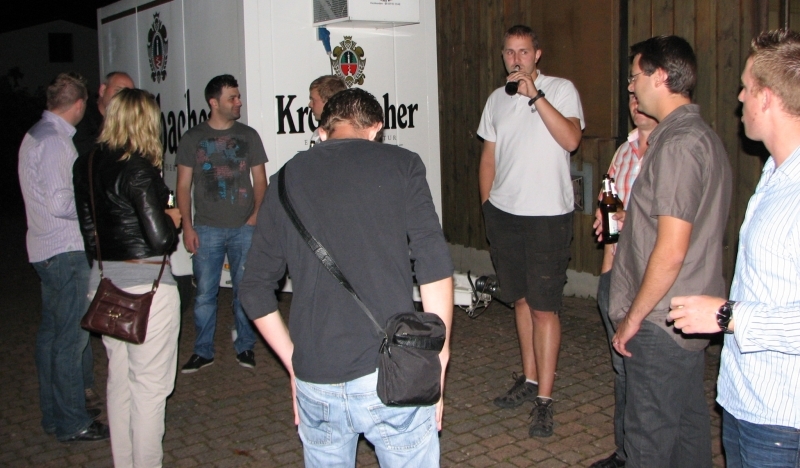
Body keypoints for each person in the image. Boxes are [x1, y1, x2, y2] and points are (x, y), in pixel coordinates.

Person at [240, 88, 454, 467]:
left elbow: (254, 289)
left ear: (322, 132)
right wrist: (438, 353)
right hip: (392, 370)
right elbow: (433, 265)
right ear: (376, 129)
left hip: (316, 375)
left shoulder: (284, 178)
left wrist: (294, 362)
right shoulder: (402, 164)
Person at [668, 29, 800, 468]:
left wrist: (728, 315)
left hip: (783, 422)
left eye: (746, 88)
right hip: (744, 401)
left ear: (767, 98)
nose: (739, 98)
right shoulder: (774, 173)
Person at [609, 35, 732, 468]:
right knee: (686, 436)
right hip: (681, 318)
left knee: (649, 443)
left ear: (660, 76)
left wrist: (632, 318)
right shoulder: (697, 137)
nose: (630, 87)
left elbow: (672, 250)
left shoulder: (680, 145)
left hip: (661, 321)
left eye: (635, 77)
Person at [477, 24, 584, 437]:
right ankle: (529, 378)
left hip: (547, 216)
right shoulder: (496, 100)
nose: (515, 59)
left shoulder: (560, 90)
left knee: (544, 307)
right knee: (520, 300)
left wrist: (535, 96)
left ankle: (545, 400)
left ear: (537, 54)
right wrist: (487, 207)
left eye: (523, 52)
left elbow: (571, 140)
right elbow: (489, 157)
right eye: (509, 52)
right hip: (505, 215)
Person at [73, 88, 181, 467]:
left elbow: (90, 233)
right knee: (149, 389)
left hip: (104, 284)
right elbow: (160, 239)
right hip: (146, 289)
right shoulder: (137, 168)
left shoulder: (86, 164)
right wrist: (173, 219)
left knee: (119, 381)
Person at [18, 72, 110, 442]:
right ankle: (74, 422)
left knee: (51, 337)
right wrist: (93, 203)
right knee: (71, 340)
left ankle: (55, 415)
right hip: (63, 250)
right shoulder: (56, 142)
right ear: (79, 104)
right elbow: (61, 203)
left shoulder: (35, 134)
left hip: (44, 248)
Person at [176, 74, 268, 373]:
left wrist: (255, 216)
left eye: (238, 96)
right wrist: (188, 227)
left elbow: (260, 180)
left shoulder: (249, 135)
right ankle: (203, 350)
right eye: (232, 98)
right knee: (205, 294)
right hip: (206, 228)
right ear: (214, 103)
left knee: (244, 291)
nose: (239, 101)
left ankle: (245, 345)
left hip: (244, 227)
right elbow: (183, 186)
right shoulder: (193, 138)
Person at [589, 94, 657, 468]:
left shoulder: (671, 150)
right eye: (630, 95)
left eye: (640, 93)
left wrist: (631, 219)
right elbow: (609, 212)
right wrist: (606, 276)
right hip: (617, 275)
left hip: (653, 281)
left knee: (647, 375)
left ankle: (646, 455)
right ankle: (625, 452)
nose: (635, 101)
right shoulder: (624, 151)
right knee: (622, 370)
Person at [72, 70, 135, 410]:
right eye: (119, 90)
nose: (123, 97)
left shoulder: (127, 149)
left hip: (115, 259)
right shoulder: (86, 141)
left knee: (121, 363)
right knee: (129, 366)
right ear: (102, 90)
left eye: (129, 92)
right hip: (111, 261)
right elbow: (87, 216)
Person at [308, 75, 346, 147]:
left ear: (328, 102)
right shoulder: (317, 135)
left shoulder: (348, 134)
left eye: (313, 100)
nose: (310, 104)